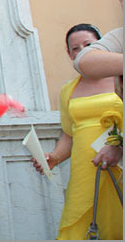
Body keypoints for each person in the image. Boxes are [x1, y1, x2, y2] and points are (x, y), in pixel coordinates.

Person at [32, 23, 122, 240]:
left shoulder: (119, 79)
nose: (81, 50)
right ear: (69, 54)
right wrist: (53, 157)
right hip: (84, 170)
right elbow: (69, 135)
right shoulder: (68, 90)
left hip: (117, 165)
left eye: (88, 45)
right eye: (75, 48)